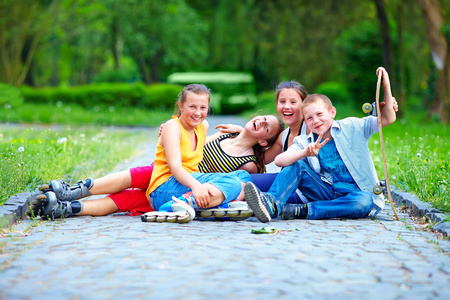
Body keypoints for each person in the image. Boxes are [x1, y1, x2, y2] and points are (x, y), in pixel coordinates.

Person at [32, 84, 283, 222]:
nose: (198, 112)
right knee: (142, 174)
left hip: (189, 180)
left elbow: (198, 150)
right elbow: (182, 158)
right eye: (192, 106)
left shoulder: (207, 128)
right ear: (180, 106)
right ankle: (73, 191)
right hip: (177, 180)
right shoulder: (202, 128)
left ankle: (64, 208)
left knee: (125, 200)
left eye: (203, 107)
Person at [244, 67, 396, 223]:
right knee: (297, 164)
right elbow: (280, 161)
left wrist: (386, 86)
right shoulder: (305, 141)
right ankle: (271, 203)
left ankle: (303, 210)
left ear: (332, 112)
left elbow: (388, 118)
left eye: (319, 114)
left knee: (364, 201)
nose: (315, 121)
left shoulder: (352, 127)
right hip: (325, 191)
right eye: (309, 118)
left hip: (355, 194)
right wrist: (305, 153)